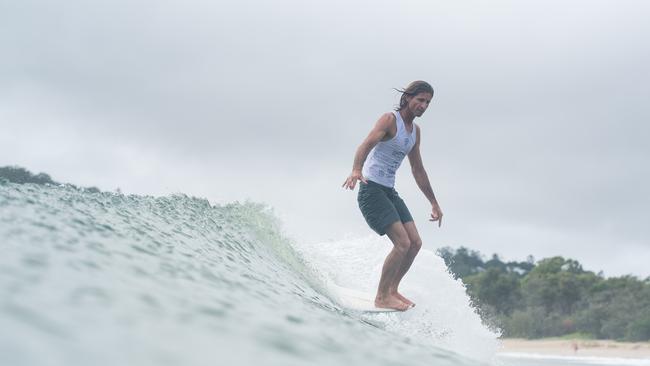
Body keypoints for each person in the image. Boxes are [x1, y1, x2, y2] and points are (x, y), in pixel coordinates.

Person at [342, 80, 443, 311]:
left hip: (388, 190)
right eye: (420, 100)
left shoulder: (415, 132)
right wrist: (356, 170)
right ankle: (381, 296)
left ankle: (392, 290)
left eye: (428, 102)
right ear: (407, 97)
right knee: (402, 243)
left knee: (415, 243)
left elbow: (418, 169)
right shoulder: (389, 120)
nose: (424, 106)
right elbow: (366, 144)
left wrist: (434, 203)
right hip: (371, 189)